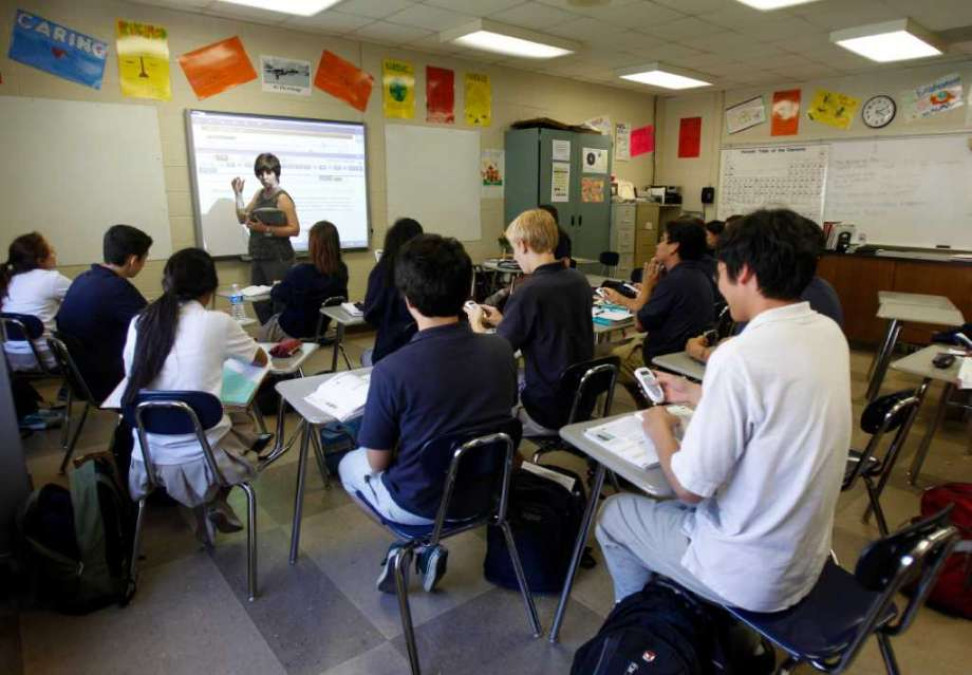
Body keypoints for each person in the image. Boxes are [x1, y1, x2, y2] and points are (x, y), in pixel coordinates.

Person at [596, 208, 852, 613]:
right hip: (805, 559)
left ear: (744, 272)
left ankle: (636, 622)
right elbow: (777, 407)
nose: (719, 281)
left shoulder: (739, 355)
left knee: (614, 513)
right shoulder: (826, 333)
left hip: (748, 573)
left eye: (721, 270)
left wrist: (658, 425)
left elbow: (689, 487)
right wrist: (697, 393)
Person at [339, 234, 516, 592]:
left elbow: (377, 464)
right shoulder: (500, 349)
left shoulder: (391, 371)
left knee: (350, 465)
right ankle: (425, 546)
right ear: (467, 287)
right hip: (489, 494)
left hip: (420, 504)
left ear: (407, 300)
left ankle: (415, 542)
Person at [121, 248, 270, 545]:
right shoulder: (217, 322)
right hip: (203, 455)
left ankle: (210, 503)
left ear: (167, 284)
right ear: (210, 288)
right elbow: (260, 360)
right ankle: (215, 498)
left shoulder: (140, 322)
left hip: (146, 455)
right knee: (243, 421)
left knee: (213, 413)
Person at [466, 208, 593, 435]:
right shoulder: (579, 280)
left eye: (514, 248)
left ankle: (505, 457)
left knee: (482, 390)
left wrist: (477, 323)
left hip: (546, 407)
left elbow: (496, 356)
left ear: (523, 244)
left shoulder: (529, 291)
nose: (514, 256)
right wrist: (503, 321)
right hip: (580, 399)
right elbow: (548, 331)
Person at [602, 219, 714, 400]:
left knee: (605, 357)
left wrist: (647, 287)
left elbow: (639, 323)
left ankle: (649, 399)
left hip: (660, 357)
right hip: (682, 353)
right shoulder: (698, 275)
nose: (657, 244)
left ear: (674, 247)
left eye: (662, 240)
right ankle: (647, 399)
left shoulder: (674, 280)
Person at [57, 225, 153, 403]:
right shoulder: (117, 288)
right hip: (107, 378)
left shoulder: (83, 278)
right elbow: (154, 325)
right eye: (144, 259)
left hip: (79, 373)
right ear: (133, 260)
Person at [231, 153, 300, 324]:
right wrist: (238, 195)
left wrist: (265, 228)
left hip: (278, 258)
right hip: (259, 255)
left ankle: (279, 336)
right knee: (258, 300)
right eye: (260, 174)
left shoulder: (282, 197)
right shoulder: (260, 194)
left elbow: (295, 229)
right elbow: (242, 218)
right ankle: (268, 334)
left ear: (276, 172)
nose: (264, 177)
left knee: (278, 301)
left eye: (267, 173)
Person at [259, 221, 348, 342]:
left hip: (291, 330)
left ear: (313, 245)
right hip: (319, 330)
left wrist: (279, 286)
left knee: (267, 328)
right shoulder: (341, 271)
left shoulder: (300, 272)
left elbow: (278, 295)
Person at [1, 232, 71, 372]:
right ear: (40, 260)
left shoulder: (9, 281)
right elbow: (85, 297)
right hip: (46, 358)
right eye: (51, 250)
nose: (54, 253)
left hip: (10, 357)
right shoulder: (52, 279)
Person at [363, 217, 423, 364]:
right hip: (423, 351)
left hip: (388, 352)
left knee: (365, 356)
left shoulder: (382, 272)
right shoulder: (425, 272)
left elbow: (370, 315)